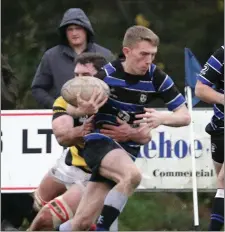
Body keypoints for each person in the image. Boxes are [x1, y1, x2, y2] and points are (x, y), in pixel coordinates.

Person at [60, 25, 191, 231]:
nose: (149, 60)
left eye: (153, 55)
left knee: (81, 223)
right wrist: (83, 108)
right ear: (127, 52)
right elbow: (70, 108)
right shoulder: (107, 74)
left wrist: (161, 117)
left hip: (126, 151)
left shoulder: (157, 77)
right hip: (100, 142)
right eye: (144, 54)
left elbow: (184, 116)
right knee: (132, 176)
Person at [28, 53, 118, 231]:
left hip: (95, 176)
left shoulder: (117, 101)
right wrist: (80, 127)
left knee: (47, 218)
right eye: (76, 75)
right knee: (37, 203)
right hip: (70, 163)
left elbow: (142, 135)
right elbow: (62, 137)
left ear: (102, 77)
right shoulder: (65, 99)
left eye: (85, 76)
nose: (78, 82)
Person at [31, 8, 114, 109]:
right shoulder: (51, 56)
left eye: (78, 28)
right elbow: (38, 89)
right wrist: (58, 106)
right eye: (70, 29)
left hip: (98, 116)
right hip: (63, 118)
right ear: (64, 32)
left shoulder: (105, 55)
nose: (74, 33)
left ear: (86, 29)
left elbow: (115, 87)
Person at [195, 45, 224, 231]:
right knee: (221, 186)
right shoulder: (223, 53)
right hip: (220, 129)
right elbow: (200, 89)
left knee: (224, 181)